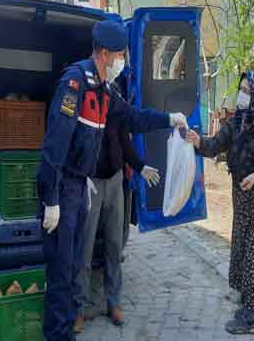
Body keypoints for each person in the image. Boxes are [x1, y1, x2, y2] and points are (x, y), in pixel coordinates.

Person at [38, 19, 188, 341]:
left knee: (73, 264)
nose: (123, 61)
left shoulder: (104, 90)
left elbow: (131, 117)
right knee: (62, 273)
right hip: (63, 190)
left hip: (80, 187)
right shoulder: (75, 84)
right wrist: (50, 198)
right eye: (120, 54)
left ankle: (64, 334)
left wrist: (168, 119)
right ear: (105, 53)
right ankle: (57, 334)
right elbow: (54, 146)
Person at [186, 71, 254, 335]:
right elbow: (213, 146)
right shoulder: (235, 124)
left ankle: (252, 313)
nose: (243, 96)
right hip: (242, 199)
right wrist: (198, 142)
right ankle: (249, 300)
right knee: (242, 249)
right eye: (241, 90)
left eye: (248, 92)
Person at [74, 77, 160, 332]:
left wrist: (140, 166)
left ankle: (113, 302)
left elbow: (125, 140)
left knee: (114, 245)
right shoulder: (84, 95)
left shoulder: (116, 97)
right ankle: (78, 308)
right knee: (84, 248)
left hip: (115, 182)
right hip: (90, 183)